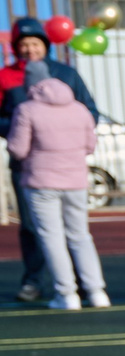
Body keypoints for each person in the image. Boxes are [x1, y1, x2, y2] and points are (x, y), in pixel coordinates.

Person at [2, 19, 96, 304]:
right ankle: (35, 279)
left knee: (71, 229)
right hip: (28, 169)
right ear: (17, 48)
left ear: (46, 45)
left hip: (65, 166)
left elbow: (89, 111)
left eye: (35, 43)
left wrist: (65, 139)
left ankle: (78, 285)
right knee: (33, 227)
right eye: (24, 45)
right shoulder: (6, 77)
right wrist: (21, 128)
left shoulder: (66, 74)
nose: (30, 49)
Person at [7, 77, 107, 309]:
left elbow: (18, 149)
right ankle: (96, 291)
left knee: (51, 237)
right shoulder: (80, 110)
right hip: (76, 180)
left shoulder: (27, 109)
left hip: (42, 181)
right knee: (80, 235)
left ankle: (66, 293)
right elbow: (90, 145)